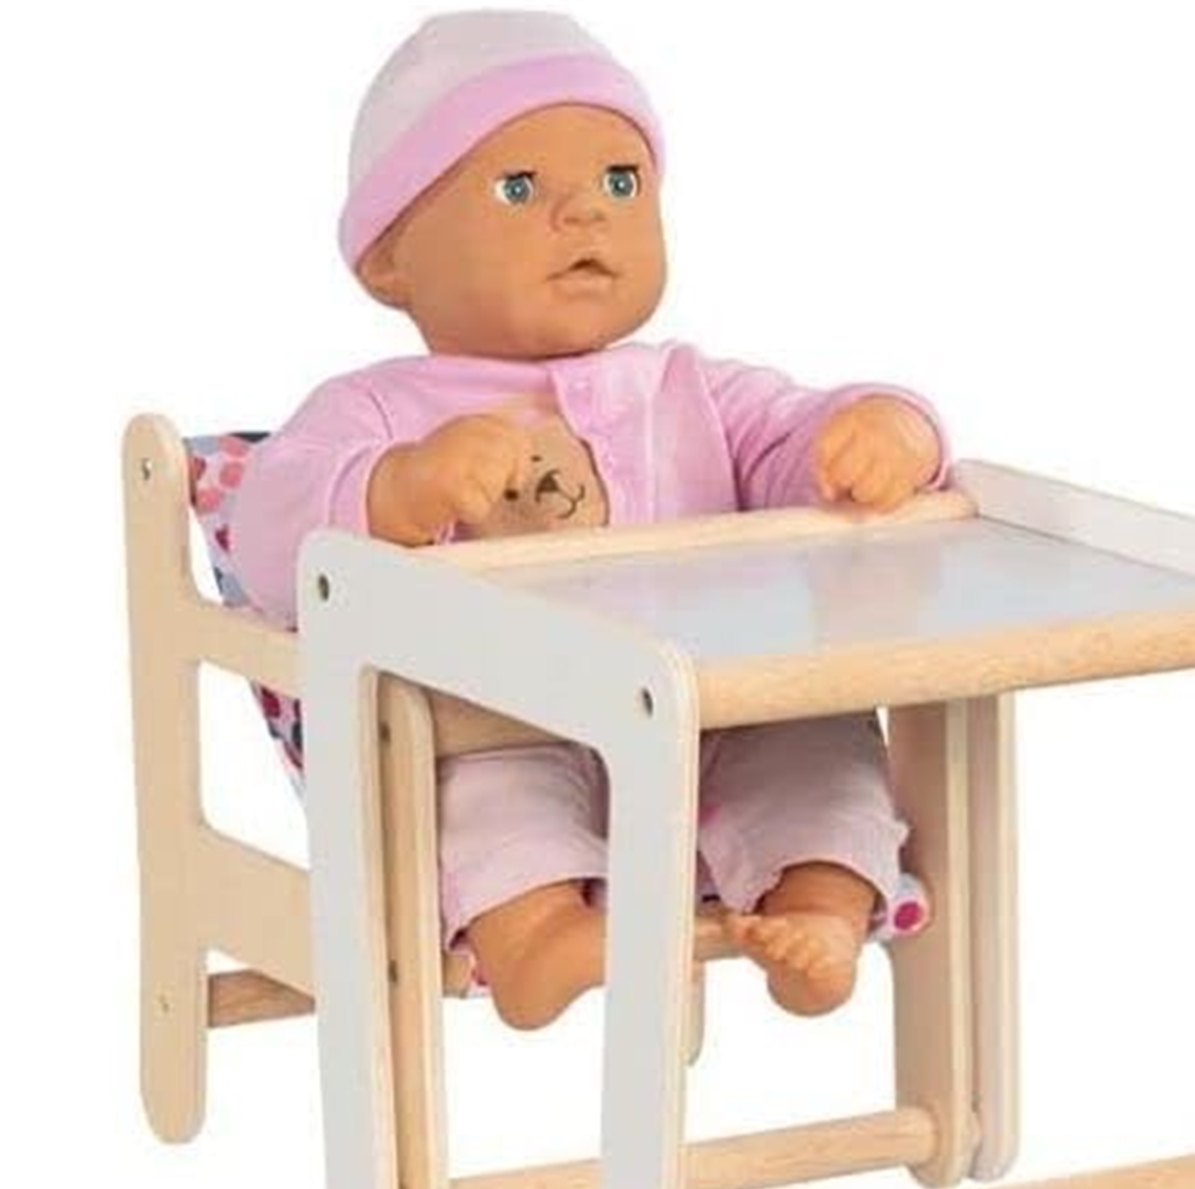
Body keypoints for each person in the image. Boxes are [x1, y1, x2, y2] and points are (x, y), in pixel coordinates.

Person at [232, 11, 950, 1030]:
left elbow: (800, 441)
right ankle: (535, 939)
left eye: (621, 182)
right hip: (505, 724)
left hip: (714, 714)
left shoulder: (692, 389)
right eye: (519, 190)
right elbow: (267, 536)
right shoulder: (376, 410)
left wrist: (881, 431)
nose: (584, 214)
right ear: (390, 259)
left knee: (822, 743)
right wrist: (391, 487)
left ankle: (821, 908)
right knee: (472, 794)